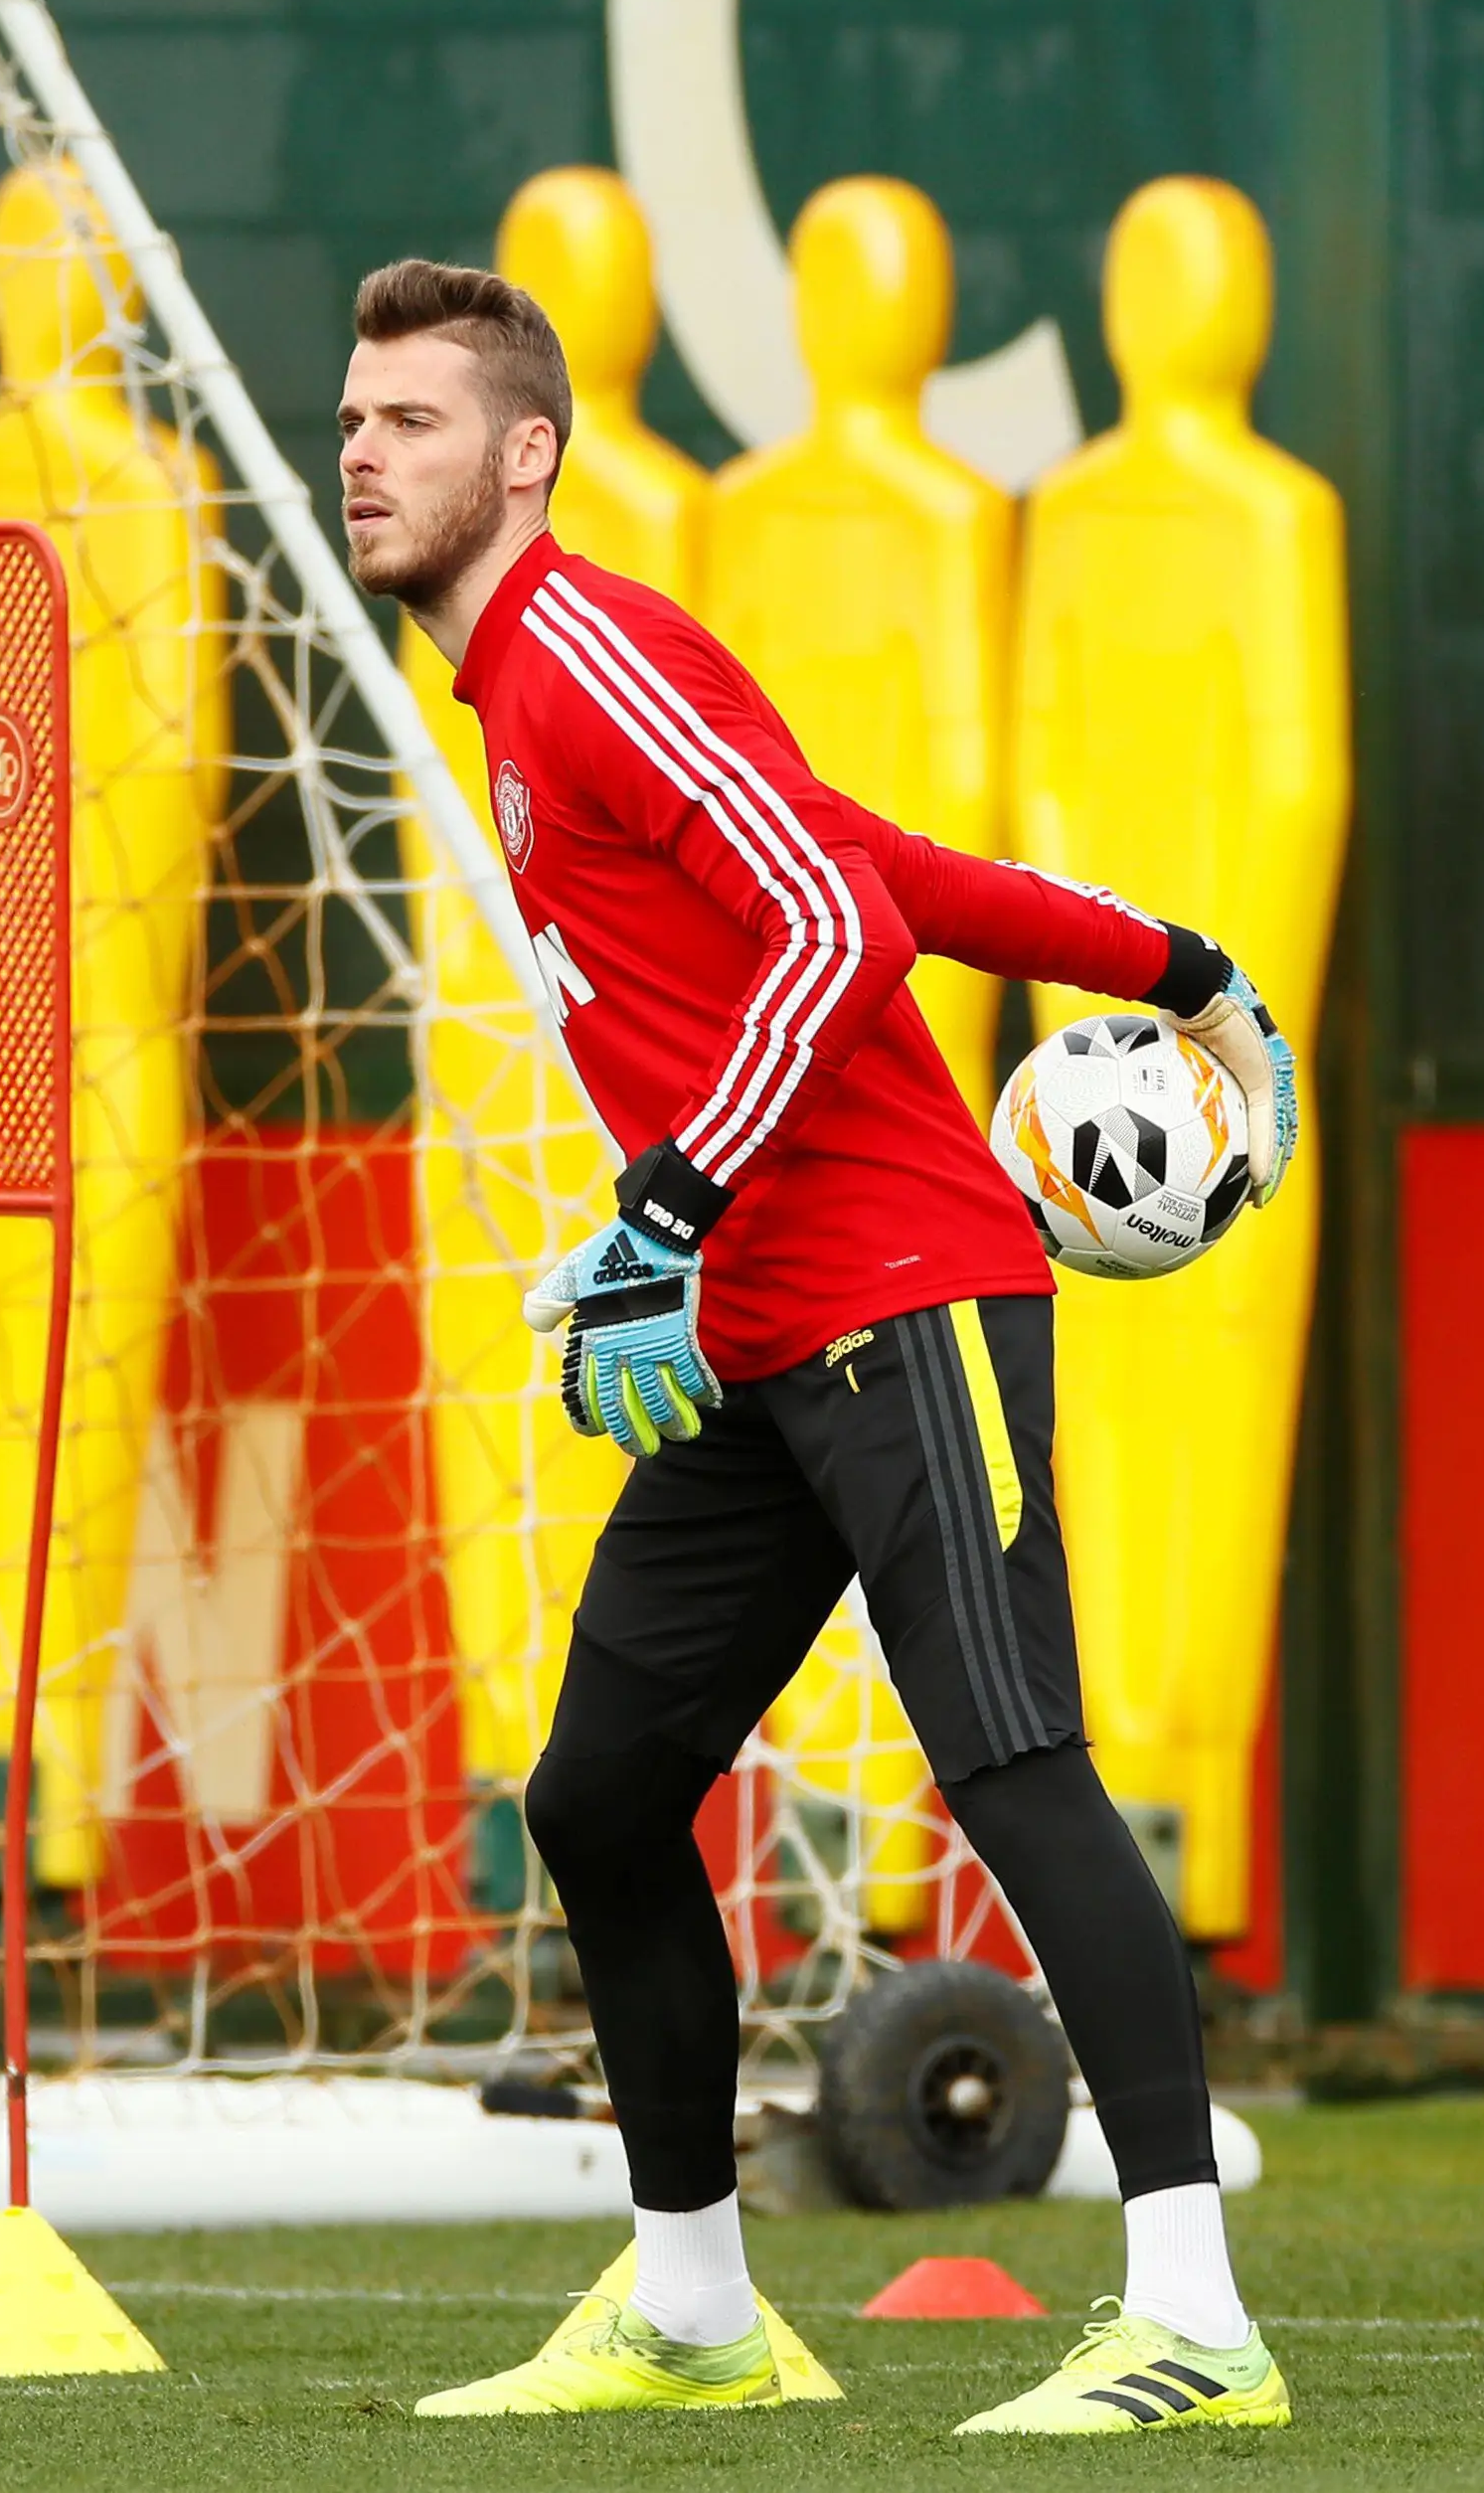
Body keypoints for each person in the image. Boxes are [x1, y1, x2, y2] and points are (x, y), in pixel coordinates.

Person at [336, 256, 1294, 2434]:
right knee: (601, 1794)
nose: (364, 455)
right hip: (762, 1330)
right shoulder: (521, 694)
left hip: (906, 1292)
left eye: (410, 420)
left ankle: (1196, 2320)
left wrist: (663, 1203)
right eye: (356, 421)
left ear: (527, 456)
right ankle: (693, 2310)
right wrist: (1175, 961)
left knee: (1014, 1769)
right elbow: (888, 865)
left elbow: (836, 922)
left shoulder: (588, 648)